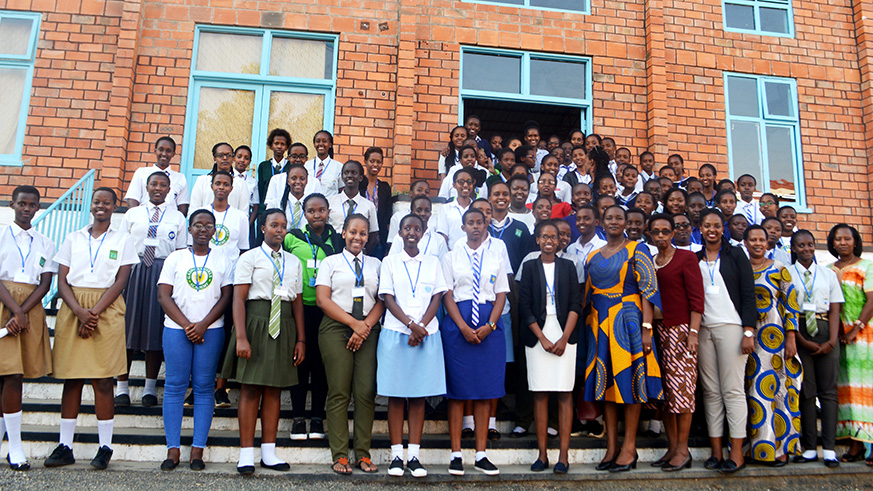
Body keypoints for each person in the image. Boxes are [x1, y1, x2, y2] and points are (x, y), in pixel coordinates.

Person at [45, 188, 139, 470]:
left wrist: (94, 313)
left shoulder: (123, 239)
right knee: (72, 378)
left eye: (107, 203)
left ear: (114, 207)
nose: (101, 206)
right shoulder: (73, 238)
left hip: (105, 309)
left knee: (102, 379)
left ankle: (105, 446)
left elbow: (121, 281)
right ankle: (65, 445)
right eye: (97, 202)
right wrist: (79, 312)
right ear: (91, 206)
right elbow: (62, 281)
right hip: (74, 306)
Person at [222, 209, 305, 475]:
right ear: (262, 228)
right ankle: (246, 454)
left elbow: (298, 302)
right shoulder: (249, 258)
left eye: (283, 226)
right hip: (256, 323)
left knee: (274, 390)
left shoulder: (293, 262)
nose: (279, 230)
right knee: (250, 390)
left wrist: (301, 339)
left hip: (284, 325)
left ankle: (269, 453)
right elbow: (238, 299)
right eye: (273, 225)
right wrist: (242, 336)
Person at [583, 205, 662, 473]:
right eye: (609, 218)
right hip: (599, 325)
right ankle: (611, 447)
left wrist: (647, 328)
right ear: (601, 222)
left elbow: (649, 290)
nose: (614, 221)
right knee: (606, 386)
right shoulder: (592, 255)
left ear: (627, 222)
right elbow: (586, 294)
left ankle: (629, 448)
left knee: (630, 384)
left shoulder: (637, 249)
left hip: (627, 323)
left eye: (619, 218)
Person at [156, 209, 233, 471]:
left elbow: (226, 297)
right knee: (175, 386)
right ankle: (173, 448)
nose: (203, 229)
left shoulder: (223, 259)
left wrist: (202, 325)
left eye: (208, 225)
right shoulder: (175, 258)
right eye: (197, 225)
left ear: (215, 231)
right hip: (177, 330)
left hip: (211, 330)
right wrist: (188, 325)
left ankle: (197, 449)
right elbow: (163, 296)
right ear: (189, 229)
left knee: (203, 388)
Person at [378, 214, 448, 478]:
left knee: (419, 396)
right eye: (407, 228)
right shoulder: (390, 262)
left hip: (426, 335)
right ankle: (397, 455)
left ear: (423, 232)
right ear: (399, 232)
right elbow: (387, 297)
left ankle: (415, 456)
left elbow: (437, 296)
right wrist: (410, 324)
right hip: (396, 333)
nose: (412, 232)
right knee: (396, 396)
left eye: (417, 228)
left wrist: (421, 327)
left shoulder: (432, 262)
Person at [316, 214, 385, 475]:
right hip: (336, 328)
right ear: (343, 233)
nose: (358, 237)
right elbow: (323, 300)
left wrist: (364, 326)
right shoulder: (330, 262)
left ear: (369, 236)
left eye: (363, 233)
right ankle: (341, 455)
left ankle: (363, 454)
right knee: (339, 391)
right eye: (353, 232)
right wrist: (353, 324)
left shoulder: (376, 264)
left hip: (368, 328)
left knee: (366, 392)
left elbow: (383, 299)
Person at [441, 208, 508, 476]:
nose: (476, 227)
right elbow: (447, 295)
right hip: (459, 325)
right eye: (471, 223)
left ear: (486, 224)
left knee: (485, 391)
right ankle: (456, 454)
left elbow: (501, 294)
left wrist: (490, 325)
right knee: (457, 393)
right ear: (463, 226)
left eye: (480, 222)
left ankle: (481, 454)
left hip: (489, 325)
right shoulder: (450, 257)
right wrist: (462, 327)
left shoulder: (496, 257)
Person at [116, 172, 188, 407]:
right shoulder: (132, 214)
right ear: (146, 187)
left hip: (162, 271)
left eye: (163, 185)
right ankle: (122, 388)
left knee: (154, 329)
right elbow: (119, 246)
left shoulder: (177, 217)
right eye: (154, 184)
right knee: (127, 327)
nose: (158, 188)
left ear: (169, 190)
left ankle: (149, 388)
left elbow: (179, 252)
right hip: (134, 270)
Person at [695, 208, 757, 474]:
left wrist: (748, 331)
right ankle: (716, 450)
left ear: (724, 228)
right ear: (700, 228)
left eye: (717, 225)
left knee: (732, 390)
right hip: (703, 330)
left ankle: (736, 452)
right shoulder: (694, 257)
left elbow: (748, 293)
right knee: (710, 391)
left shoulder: (736, 255)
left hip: (732, 328)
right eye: (707, 225)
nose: (712, 229)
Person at [518, 220, 582, 474]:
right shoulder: (530, 266)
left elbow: (577, 304)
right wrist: (542, 338)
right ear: (537, 239)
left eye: (553, 237)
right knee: (540, 393)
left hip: (564, 333)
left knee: (565, 392)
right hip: (538, 336)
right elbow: (524, 306)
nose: (548, 240)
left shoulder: (568, 266)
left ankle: (563, 456)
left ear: (559, 241)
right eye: (544, 236)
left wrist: (564, 338)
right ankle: (542, 454)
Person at [0, 186, 55, 470]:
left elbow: (45, 282)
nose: (26, 208)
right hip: (4, 306)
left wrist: (24, 312)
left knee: (15, 375)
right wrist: (15, 311)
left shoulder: (45, 241)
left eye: (32, 205)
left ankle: (15, 447)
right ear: (12, 204)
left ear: (37, 208)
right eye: (21, 203)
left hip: (30, 308)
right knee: (5, 374)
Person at [647, 214, 703, 472]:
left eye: (665, 231)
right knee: (666, 395)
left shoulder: (686, 258)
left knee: (683, 394)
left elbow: (696, 298)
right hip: (657, 332)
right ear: (650, 234)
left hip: (680, 331)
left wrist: (693, 333)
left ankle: (683, 450)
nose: (661, 236)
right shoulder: (649, 261)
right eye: (656, 231)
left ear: (673, 233)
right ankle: (671, 448)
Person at [283, 193, 341, 440]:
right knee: (300, 362)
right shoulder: (292, 238)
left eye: (321, 210)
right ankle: (298, 418)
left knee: (321, 365)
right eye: (311, 211)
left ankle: (317, 418)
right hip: (299, 307)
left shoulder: (338, 240)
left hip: (327, 310)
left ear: (329, 212)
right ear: (304, 214)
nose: (317, 215)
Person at [743, 225, 802, 466]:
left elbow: (791, 305)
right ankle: (755, 450)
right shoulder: (740, 269)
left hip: (775, 340)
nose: (758, 243)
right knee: (751, 394)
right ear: (745, 243)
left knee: (775, 393)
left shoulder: (780, 269)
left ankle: (779, 449)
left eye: (762, 240)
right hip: (747, 340)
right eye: (753, 240)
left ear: (768, 243)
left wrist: (791, 337)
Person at [790, 230, 843, 467]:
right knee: (807, 390)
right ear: (794, 248)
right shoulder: (787, 274)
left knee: (829, 390)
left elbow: (834, 309)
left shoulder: (828, 274)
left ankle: (829, 449)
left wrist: (831, 341)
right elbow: (788, 310)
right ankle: (810, 447)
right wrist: (801, 339)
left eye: (810, 245)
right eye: (801, 245)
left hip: (825, 329)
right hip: (800, 330)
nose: (806, 249)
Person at [197, 171, 250, 408]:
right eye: (217, 183)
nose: (221, 187)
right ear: (211, 186)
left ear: (231, 188)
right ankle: (198, 387)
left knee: (226, 334)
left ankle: (221, 387)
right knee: (202, 334)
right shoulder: (199, 215)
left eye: (226, 184)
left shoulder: (239, 217)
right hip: (202, 281)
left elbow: (242, 251)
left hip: (229, 283)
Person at [826, 224, 873, 464]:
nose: (842, 243)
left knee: (868, 392)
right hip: (839, 338)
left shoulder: (867, 266)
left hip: (865, 338)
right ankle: (855, 446)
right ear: (832, 243)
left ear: (855, 241)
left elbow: (872, 300)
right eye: (838, 239)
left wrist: (857, 328)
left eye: (847, 238)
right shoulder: (827, 269)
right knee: (849, 391)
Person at [125, 136, 190, 216]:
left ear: (173, 154)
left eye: (168, 151)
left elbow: (183, 208)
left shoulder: (180, 178)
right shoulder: (141, 173)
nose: (164, 154)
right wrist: (137, 219)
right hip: (143, 220)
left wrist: (175, 222)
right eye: (161, 149)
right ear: (155, 150)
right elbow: (132, 199)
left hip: (169, 223)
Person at [327, 161, 379, 253]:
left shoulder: (369, 206)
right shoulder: (329, 202)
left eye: (354, 173)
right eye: (346, 173)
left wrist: (362, 252)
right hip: (332, 250)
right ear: (342, 177)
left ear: (361, 177)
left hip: (357, 250)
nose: (350, 176)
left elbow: (373, 234)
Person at [264, 158, 324, 231]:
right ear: (288, 181)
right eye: (294, 178)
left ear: (307, 181)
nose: (298, 182)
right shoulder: (276, 204)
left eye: (302, 178)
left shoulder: (312, 206)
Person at [189, 143, 250, 212]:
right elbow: (193, 209)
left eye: (229, 155)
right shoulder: (203, 180)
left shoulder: (241, 183)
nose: (225, 158)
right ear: (214, 158)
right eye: (220, 155)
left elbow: (244, 213)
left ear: (233, 158)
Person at [388, 195, 448, 259]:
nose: (423, 214)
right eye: (419, 210)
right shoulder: (400, 238)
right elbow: (392, 262)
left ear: (430, 214)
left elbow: (442, 265)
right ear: (412, 212)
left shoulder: (439, 240)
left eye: (427, 211)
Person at [360, 147, 393, 258]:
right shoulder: (359, 184)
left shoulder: (385, 187)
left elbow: (388, 215)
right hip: (359, 235)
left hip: (378, 239)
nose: (375, 165)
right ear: (365, 161)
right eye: (372, 161)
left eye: (379, 162)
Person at [436, 168, 476, 249]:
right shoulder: (446, 209)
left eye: (469, 182)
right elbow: (443, 236)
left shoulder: (477, 208)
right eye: (461, 182)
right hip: (453, 255)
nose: (465, 185)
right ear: (454, 185)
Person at [256, 128, 292, 209]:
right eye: (276, 143)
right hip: (265, 209)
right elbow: (261, 190)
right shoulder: (263, 166)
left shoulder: (291, 166)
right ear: (271, 145)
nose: (279, 146)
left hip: (285, 209)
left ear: (287, 147)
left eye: (282, 144)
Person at [305, 130, 342, 197]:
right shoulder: (306, 165)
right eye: (318, 141)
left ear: (330, 144)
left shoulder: (338, 167)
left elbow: (341, 190)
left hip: (330, 205)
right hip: (309, 204)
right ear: (314, 144)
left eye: (324, 141)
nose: (321, 144)